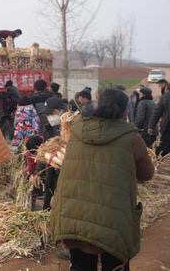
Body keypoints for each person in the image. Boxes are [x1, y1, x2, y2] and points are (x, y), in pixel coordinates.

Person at [51, 88, 155, 271]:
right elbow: (146, 174)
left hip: (74, 216)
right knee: (114, 264)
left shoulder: (76, 132)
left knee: (81, 266)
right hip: (114, 220)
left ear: (97, 105)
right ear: (124, 110)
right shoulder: (131, 137)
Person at [38, 96, 67, 211]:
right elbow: (44, 151)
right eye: (47, 114)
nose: (49, 116)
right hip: (52, 171)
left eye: (51, 113)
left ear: (59, 111)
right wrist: (38, 172)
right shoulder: (48, 128)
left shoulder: (71, 128)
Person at [149, 84, 170, 156]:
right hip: (167, 127)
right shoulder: (165, 97)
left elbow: (157, 112)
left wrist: (151, 126)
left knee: (164, 148)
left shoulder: (165, 97)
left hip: (167, 127)